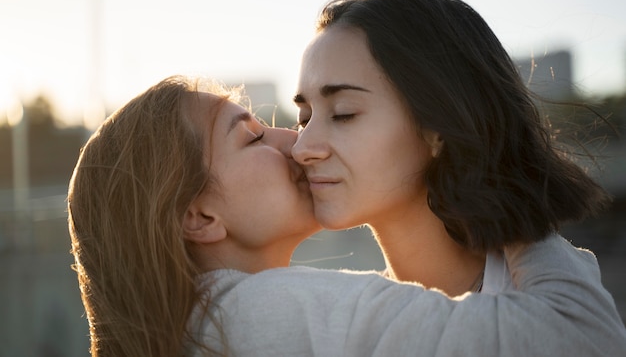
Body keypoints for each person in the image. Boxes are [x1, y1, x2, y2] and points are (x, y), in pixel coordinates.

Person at [68, 75, 626, 356]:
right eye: (254, 136)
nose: (297, 141)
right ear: (200, 215)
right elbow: (582, 335)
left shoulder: (215, 325)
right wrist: (513, 202)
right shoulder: (261, 313)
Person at [292, 0, 614, 296]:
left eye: (343, 113)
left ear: (438, 129)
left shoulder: (553, 310)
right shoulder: (350, 317)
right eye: (303, 119)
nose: (302, 148)